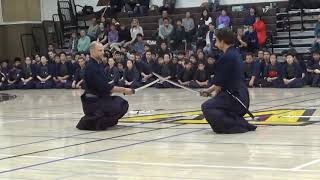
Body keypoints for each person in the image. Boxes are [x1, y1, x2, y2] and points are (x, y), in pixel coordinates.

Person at [200, 28, 257, 134]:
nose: (215, 43)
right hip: (242, 96)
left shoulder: (225, 58)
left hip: (235, 99)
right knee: (215, 103)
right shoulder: (235, 53)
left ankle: (239, 125)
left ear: (222, 41)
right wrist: (208, 91)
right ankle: (239, 122)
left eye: (216, 40)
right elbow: (221, 81)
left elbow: (218, 86)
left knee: (207, 107)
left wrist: (211, 94)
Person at [77, 42, 134, 131]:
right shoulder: (91, 67)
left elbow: (105, 86)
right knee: (121, 104)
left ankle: (100, 119)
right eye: (100, 50)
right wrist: (125, 90)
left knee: (121, 103)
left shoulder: (98, 65)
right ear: (92, 51)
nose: (102, 52)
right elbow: (105, 87)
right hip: (93, 102)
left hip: (99, 99)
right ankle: (94, 121)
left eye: (103, 50)